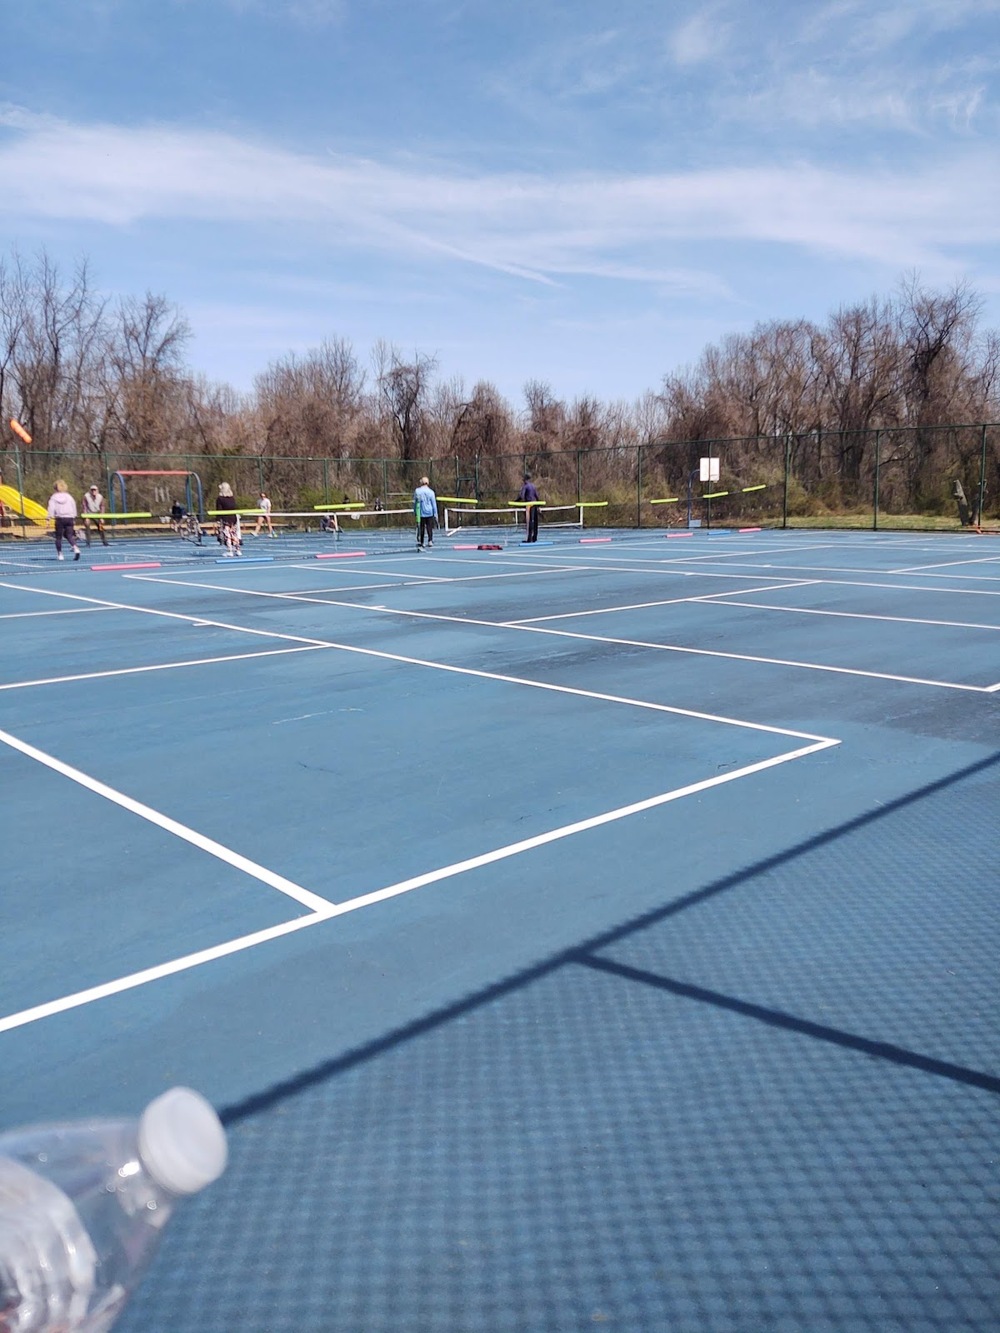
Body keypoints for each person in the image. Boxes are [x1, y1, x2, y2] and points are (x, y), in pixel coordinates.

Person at [47, 479, 81, 561]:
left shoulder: (54, 497)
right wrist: (74, 517)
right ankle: (75, 547)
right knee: (69, 535)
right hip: (69, 518)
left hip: (60, 519)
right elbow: (73, 506)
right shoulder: (69, 497)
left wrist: (48, 518)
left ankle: (60, 554)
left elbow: (51, 508)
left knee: (58, 537)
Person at [216, 482, 241, 557]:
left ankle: (230, 550)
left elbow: (219, 510)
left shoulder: (220, 499)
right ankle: (238, 549)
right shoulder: (232, 498)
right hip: (233, 517)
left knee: (227, 534)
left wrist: (218, 519)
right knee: (234, 534)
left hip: (226, 518)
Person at [413, 476, 438, 549]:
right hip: (429, 512)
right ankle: (430, 540)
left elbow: (415, 502)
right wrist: (435, 514)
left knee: (421, 527)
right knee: (429, 527)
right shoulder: (431, 492)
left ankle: (422, 542)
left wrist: (415, 511)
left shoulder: (417, 491)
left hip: (421, 512)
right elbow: (434, 504)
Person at [518, 473, 541, 542]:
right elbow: (537, 496)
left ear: (524, 479)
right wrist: (538, 506)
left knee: (530, 521)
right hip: (535, 504)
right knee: (535, 521)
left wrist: (516, 501)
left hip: (529, 505)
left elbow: (521, 496)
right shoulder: (533, 486)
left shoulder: (525, 486)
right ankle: (535, 537)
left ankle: (529, 538)